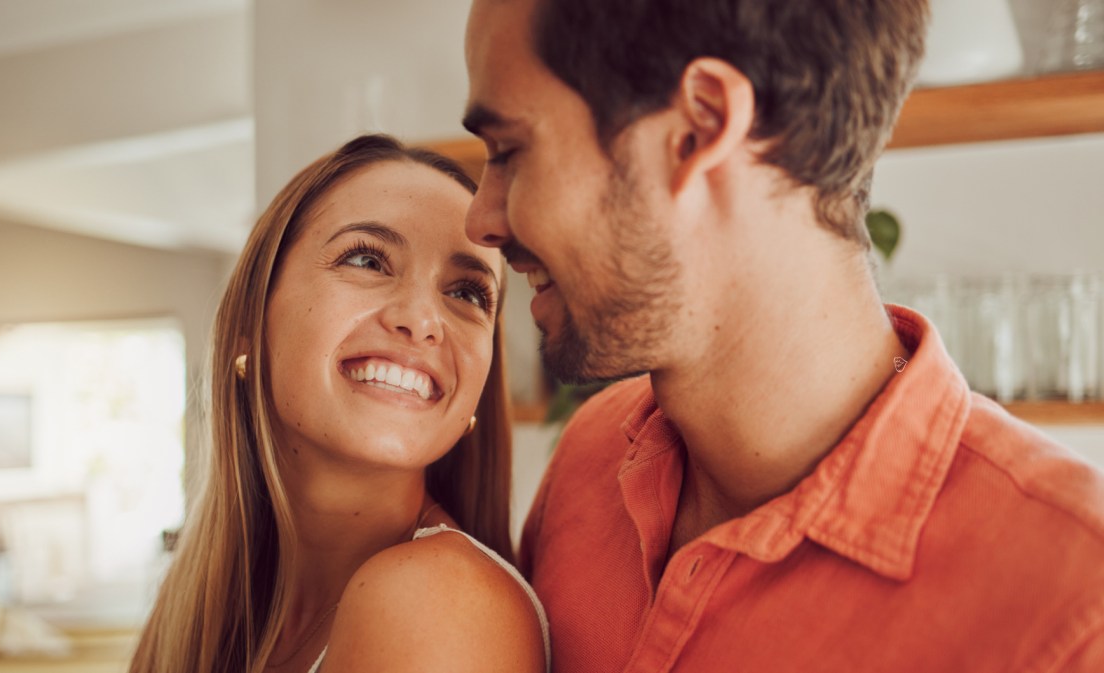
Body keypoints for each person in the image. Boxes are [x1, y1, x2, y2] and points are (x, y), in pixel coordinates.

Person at [460, 0, 1104, 671]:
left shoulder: (1075, 609)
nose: (481, 220)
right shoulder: (588, 462)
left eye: (509, 151)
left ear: (699, 126)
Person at [129, 134, 548, 673]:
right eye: (368, 260)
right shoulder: (197, 606)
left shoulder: (435, 600)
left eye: (467, 293)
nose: (421, 320)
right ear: (250, 325)